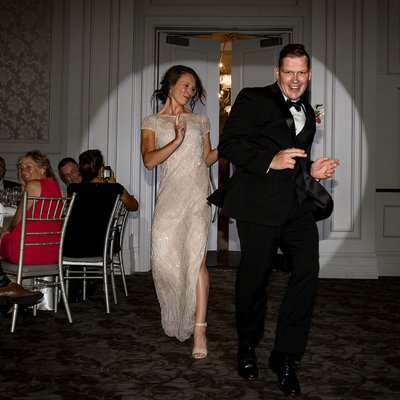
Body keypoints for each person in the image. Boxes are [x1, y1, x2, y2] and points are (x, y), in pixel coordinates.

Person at [207, 44, 339, 396]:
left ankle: (284, 356)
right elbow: (230, 144)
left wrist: (312, 169)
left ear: (309, 76)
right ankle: (247, 346)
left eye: (301, 73)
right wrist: (270, 159)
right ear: (277, 73)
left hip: (296, 206)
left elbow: (297, 161)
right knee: (254, 279)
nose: (294, 80)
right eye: (288, 72)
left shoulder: (309, 111)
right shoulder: (253, 98)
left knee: (308, 271)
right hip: (259, 205)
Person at [141, 65, 218, 359]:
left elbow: (207, 158)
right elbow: (149, 161)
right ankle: (178, 311)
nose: (189, 91)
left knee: (196, 260)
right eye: (185, 85)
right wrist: (175, 140)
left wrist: (229, 147)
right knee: (162, 260)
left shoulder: (200, 120)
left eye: (193, 88)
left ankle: (200, 329)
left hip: (198, 196)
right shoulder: (151, 122)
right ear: (170, 86)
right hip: (169, 200)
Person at [64, 149, 138, 258]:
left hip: (73, 248)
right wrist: (113, 183)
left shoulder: (72, 188)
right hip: (103, 247)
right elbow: (134, 206)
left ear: (81, 170)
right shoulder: (115, 189)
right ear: (101, 169)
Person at [0, 150, 63, 265]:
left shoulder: (33, 185)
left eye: (28, 166)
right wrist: (24, 184)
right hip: (51, 252)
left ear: (43, 168)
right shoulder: (55, 187)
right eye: (21, 168)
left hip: (23, 251)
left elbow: (17, 220)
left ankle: (11, 280)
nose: (23, 171)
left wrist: (6, 231)